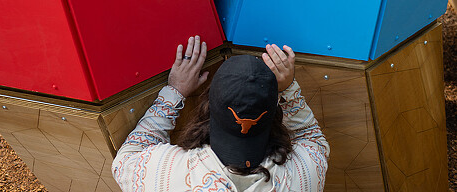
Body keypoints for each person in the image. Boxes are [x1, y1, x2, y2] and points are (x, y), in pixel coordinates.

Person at [112, 36, 330, 192]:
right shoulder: (305, 176)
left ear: (208, 105)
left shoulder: (167, 174)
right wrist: (288, 89)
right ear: (274, 113)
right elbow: (312, 139)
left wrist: (174, 92)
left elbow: (126, 159)